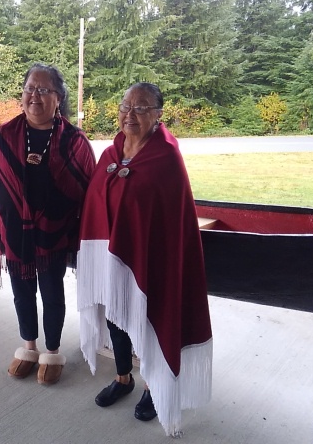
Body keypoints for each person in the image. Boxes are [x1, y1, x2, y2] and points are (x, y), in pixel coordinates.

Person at [76, 82, 212, 437]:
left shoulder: (166, 158)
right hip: (112, 257)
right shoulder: (110, 154)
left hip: (153, 261)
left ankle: (154, 386)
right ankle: (123, 378)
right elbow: (96, 204)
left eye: (141, 108)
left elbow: (170, 218)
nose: (130, 114)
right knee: (116, 318)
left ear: (158, 115)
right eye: (126, 106)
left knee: (150, 320)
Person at [0, 63, 96, 385]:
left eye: (43, 90)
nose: (34, 96)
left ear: (59, 97)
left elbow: (90, 194)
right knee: (21, 293)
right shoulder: (2, 137)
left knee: (52, 293)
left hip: (55, 236)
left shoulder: (75, 142)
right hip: (15, 236)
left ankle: (52, 352)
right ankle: (29, 347)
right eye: (30, 89)